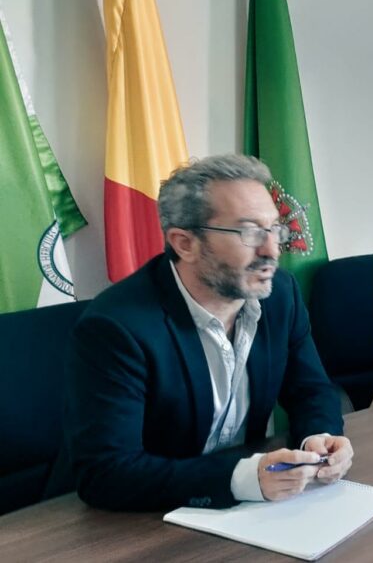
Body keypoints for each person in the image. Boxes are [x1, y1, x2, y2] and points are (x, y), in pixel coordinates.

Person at [62, 155, 352, 511]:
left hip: (260, 509)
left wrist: (319, 439)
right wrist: (238, 479)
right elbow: (104, 473)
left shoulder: (281, 294)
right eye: (250, 232)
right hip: (152, 520)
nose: (272, 250)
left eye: (276, 229)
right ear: (185, 243)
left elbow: (311, 389)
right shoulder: (117, 328)